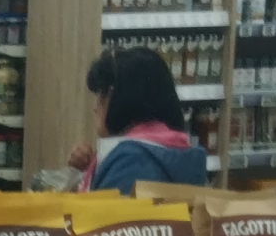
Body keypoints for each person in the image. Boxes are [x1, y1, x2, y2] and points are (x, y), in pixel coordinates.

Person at [70, 45, 210, 195]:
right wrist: (87, 170)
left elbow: (100, 208)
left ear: (121, 97)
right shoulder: (170, 150)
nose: (95, 106)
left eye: (102, 95)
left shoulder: (130, 162)